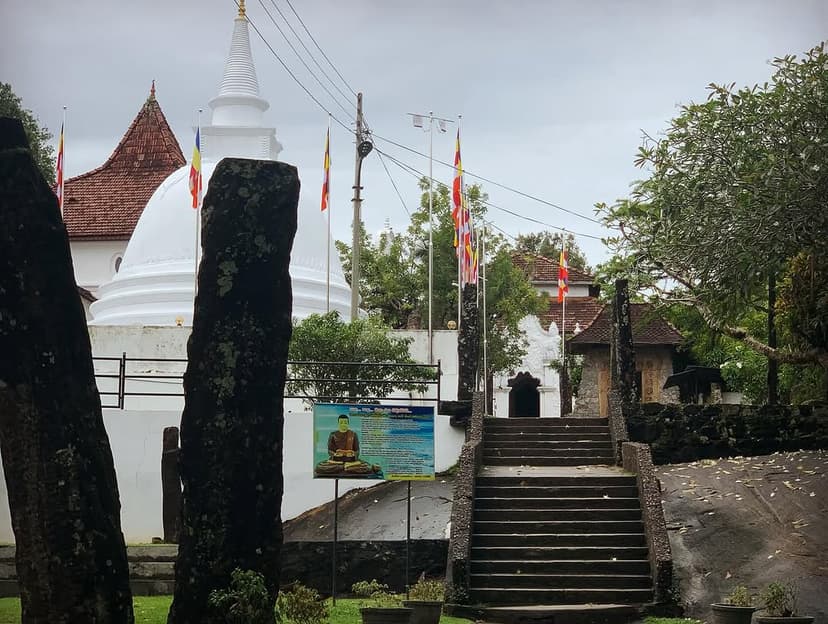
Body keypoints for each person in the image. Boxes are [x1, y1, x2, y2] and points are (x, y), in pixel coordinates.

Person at [314, 414, 382, 477]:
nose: (343, 424)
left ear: (348, 423)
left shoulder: (353, 434)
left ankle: (345, 468)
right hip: (336, 462)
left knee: (367, 467)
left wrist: (353, 454)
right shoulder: (333, 434)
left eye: (345, 423)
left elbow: (357, 450)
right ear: (338, 423)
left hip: (352, 462)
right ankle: (345, 468)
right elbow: (330, 450)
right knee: (319, 467)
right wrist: (335, 454)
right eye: (341, 423)